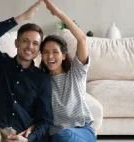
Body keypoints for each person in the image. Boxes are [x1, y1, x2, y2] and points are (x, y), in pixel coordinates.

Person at [0, 1, 53, 142]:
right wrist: (23, 16)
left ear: (39, 49)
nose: (30, 46)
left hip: (20, 133)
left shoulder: (42, 79)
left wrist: (28, 139)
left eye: (35, 43)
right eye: (25, 41)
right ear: (16, 43)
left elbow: (45, 120)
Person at [22, 0, 96, 141]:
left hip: (81, 131)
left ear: (63, 55)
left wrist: (58, 13)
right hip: (55, 136)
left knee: (64, 135)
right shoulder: (42, 82)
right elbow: (39, 113)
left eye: (55, 52)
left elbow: (82, 40)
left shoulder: (76, 73)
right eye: (45, 52)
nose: (50, 56)